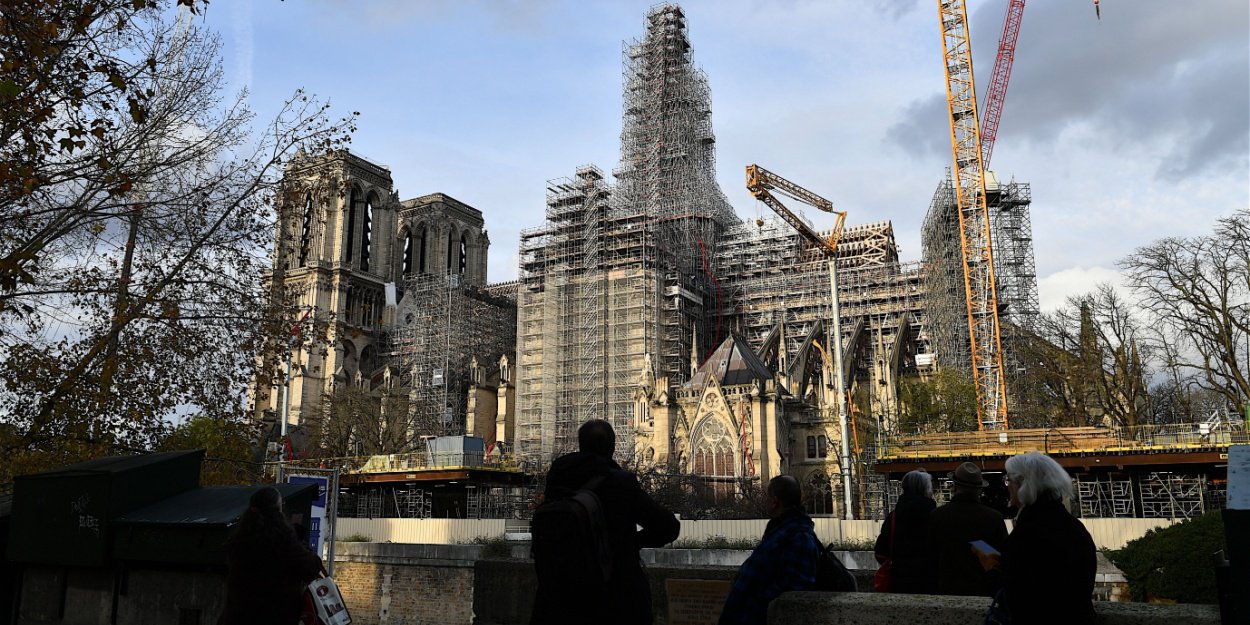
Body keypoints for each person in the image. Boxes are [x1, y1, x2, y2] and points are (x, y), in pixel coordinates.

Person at [530, 419, 680, 625]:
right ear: (612, 447)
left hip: (558, 601)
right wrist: (630, 542)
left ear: (580, 445)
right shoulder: (619, 483)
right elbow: (668, 527)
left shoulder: (558, 478)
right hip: (612, 600)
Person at [997, 452, 1096, 625]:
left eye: (1009, 480)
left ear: (1022, 484)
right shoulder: (1074, 527)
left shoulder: (1026, 534)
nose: (1007, 486)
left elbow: (1019, 594)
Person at [718, 475, 822, 625]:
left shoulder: (798, 537)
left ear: (775, 501)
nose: (764, 500)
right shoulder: (781, 531)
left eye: (767, 496)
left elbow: (793, 595)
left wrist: (752, 602)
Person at [218, 486, 323, 625]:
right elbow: (311, 567)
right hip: (276, 616)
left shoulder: (239, 540)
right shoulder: (284, 541)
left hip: (238, 616)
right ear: (278, 510)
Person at [928, 462, 1008, 597]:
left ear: (954, 486)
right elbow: (1002, 560)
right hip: (984, 593)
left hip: (946, 591)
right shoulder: (994, 518)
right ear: (979, 490)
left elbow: (929, 556)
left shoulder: (937, 516)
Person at [874, 469, 936, 594]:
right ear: (926, 489)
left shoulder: (893, 517)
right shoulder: (936, 517)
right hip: (929, 582)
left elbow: (880, 551)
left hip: (898, 583)